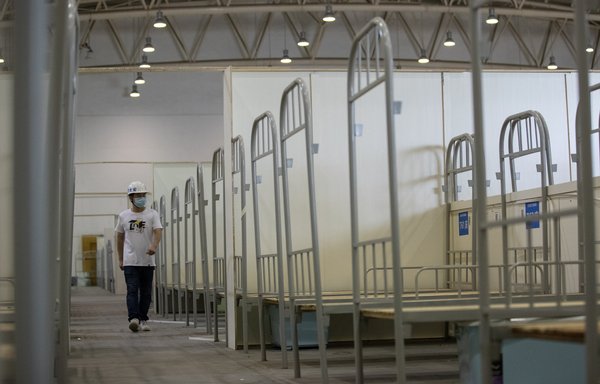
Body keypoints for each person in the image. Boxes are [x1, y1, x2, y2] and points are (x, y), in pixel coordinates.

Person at [115, 180, 163, 332]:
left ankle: (143, 319)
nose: (141, 197)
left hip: (148, 261)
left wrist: (154, 246)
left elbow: (158, 231)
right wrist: (121, 258)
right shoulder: (123, 216)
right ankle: (133, 318)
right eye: (138, 195)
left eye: (143, 195)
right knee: (132, 290)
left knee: (146, 292)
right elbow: (119, 237)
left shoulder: (152, 214)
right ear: (131, 197)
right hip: (130, 261)